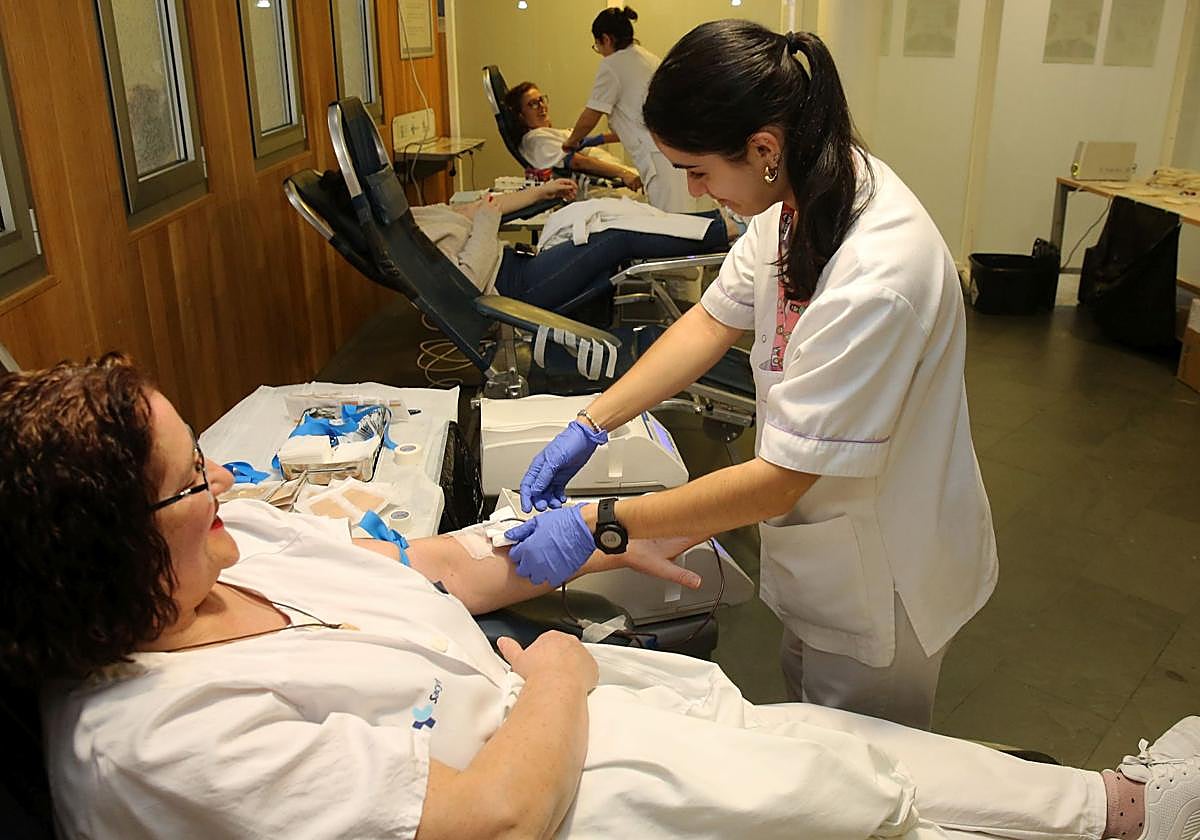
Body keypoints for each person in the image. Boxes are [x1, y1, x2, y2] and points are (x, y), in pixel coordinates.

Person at [3, 356, 1199, 840]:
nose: (227, 483)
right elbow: (491, 821)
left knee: (837, 739)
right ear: (100, 550)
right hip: (561, 800)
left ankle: (1122, 805)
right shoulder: (148, 741)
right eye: (187, 483)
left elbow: (427, 571)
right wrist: (562, 671)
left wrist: (580, 541)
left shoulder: (239, 542)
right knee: (849, 804)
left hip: (568, 716)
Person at [506, 22, 997, 730]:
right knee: (810, 726)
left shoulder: (878, 273)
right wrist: (593, 421)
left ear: (763, 148)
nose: (690, 188)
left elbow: (780, 478)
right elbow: (710, 322)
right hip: (826, 548)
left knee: (868, 772)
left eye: (698, 170)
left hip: (889, 572)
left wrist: (602, 524)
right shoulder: (792, 201)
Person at [412, 177, 727, 312]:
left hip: (520, 266)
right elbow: (466, 282)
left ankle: (719, 222)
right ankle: (724, 230)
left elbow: (481, 206)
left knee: (606, 212)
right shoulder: (411, 243)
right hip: (514, 288)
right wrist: (485, 222)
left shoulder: (415, 216)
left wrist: (541, 192)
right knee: (617, 236)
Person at [561, 6, 698, 213]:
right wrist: (598, 139)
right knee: (683, 222)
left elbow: (590, 116)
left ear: (606, 39)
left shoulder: (613, 65)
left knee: (672, 227)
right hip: (674, 152)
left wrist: (571, 142)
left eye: (597, 45)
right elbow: (635, 120)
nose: (600, 52)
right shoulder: (645, 58)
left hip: (659, 158)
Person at [504, 81, 644, 192]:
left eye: (541, 100)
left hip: (614, 175)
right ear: (521, 116)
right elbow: (579, 162)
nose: (542, 106)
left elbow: (587, 141)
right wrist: (624, 173)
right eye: (533, 104)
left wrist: (631, 133)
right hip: (602, 188)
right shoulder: (536, 141)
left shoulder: (545, 135)